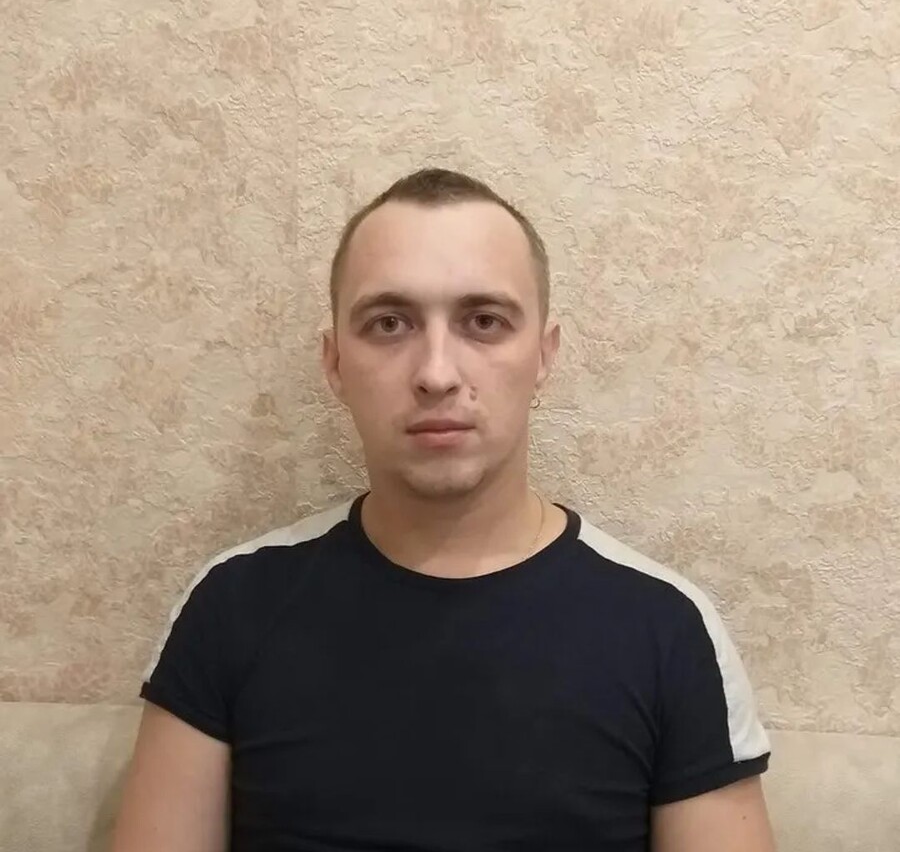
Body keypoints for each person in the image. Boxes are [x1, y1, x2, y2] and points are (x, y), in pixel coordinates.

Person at [111, 167, 776, 852]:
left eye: (484, 322)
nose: (436, 373)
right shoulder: (233, 605)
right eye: (389, 323)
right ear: (335, 362)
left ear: (543, 356)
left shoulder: (668, 631)